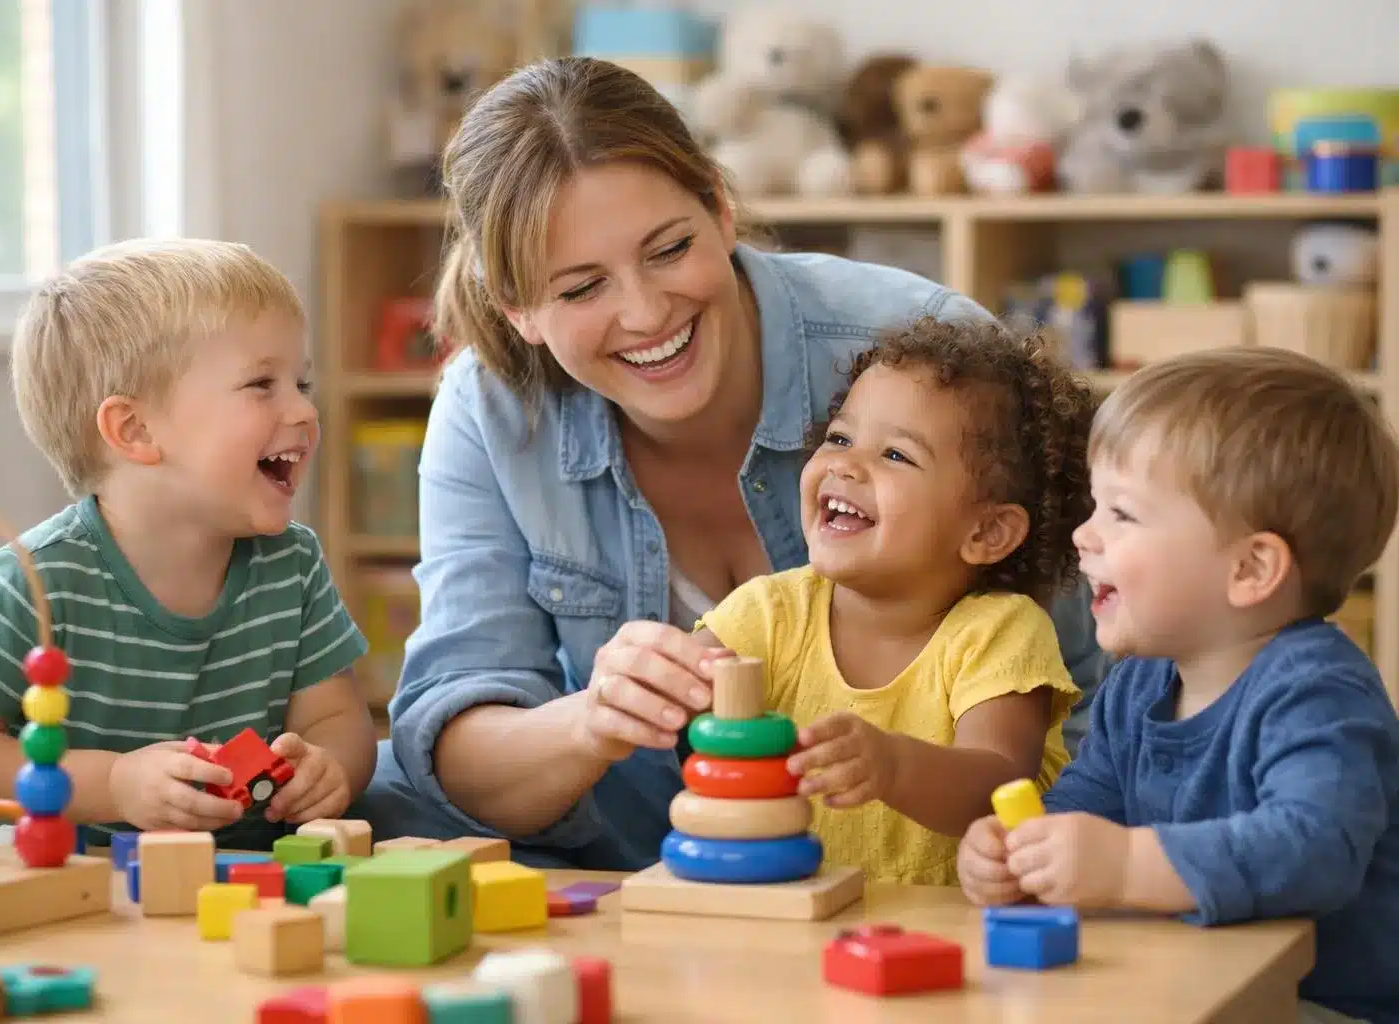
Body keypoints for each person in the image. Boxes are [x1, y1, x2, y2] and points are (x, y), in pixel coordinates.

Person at [365, 55, 1107, 870]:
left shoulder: (924, 357)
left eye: (669, 248)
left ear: (720, 207)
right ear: (520, 311)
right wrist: (592, 720)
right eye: (580, 290)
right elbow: (453, 746)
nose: (646, 314)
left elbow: (1087, 701)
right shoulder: (491, 407)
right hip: (623, 886)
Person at [957, 348, 1399, 1024]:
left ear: (1251, 569)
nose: (1084, 535)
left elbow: (1315, 848)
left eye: (1122, 515)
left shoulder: (1318, 691)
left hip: (1321, 1006)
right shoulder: (1138, 682)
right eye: (1094, 506)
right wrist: (1023, 852)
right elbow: (1087, 807)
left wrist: (1127, 866)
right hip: (1188, 985)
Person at [0, 238, 377, 852]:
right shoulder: (35, 582)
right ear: (136, 430)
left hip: (233, 894)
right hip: (54, 891)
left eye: (300, 381)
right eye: (263, 384)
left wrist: (328, 766)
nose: (305, 409)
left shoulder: (293, 566)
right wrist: (114, 784)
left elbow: (338, 721)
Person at [692, 318, 1092, 884]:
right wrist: (647, 676)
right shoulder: (769, 612)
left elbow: (999, 787)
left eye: (897, 455)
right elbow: (677, 688)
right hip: (795, 924)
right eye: (839, 438)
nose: (845, 465)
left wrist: (893, 765)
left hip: (953, 938)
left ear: (987, 533)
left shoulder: (1000, 632)